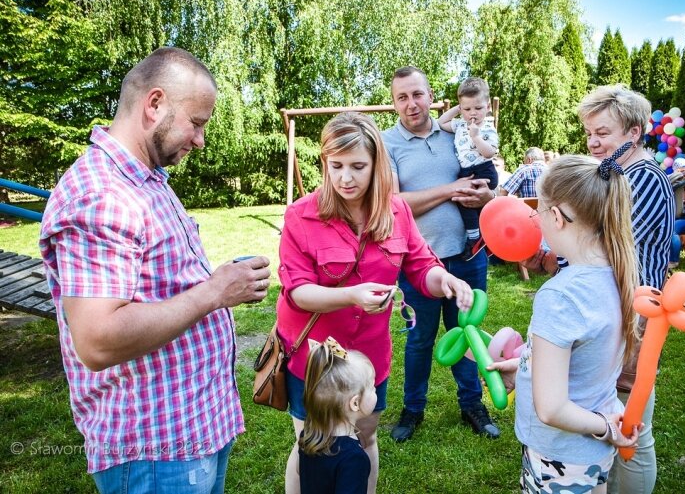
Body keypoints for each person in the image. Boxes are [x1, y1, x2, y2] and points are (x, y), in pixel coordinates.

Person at [39, 47, 272, 493]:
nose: (200, 140)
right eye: (197, 123)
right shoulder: (102, 194)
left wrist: (218, 285)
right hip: (153, 449)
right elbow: (98, 339)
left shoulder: (144, 178)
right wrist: (215, 293)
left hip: (190, 428)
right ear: (155, 104)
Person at [277, 111, 474, 494]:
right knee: (310, 446)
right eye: (335, 166)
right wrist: (350, 296)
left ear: (376, 164)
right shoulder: (301, 215)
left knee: (365, 438)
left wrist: (445, 279)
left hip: (368, 359)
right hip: (314, 360)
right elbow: (297, 292)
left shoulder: (396, 209)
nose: (345, 178)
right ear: (324, 163)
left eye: (357, 166)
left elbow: (421, 266)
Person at [521, 85, 674, 494]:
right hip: (614, 313)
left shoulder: (638, 179)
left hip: (626, 321)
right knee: (611, 417)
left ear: (635, 132)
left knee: (632, 434)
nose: (594, 142)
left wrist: (557, 255)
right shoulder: (618, 175)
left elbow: (605, 247)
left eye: (602, 132)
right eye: (589, 132)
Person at [490, 155, 642, 492]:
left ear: (556, 217)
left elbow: (551, 408)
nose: (537, 222)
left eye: (538, 213)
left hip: (559, 456)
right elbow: (585, 360)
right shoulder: (619, 276)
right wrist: (526, 364)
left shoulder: (559, 295)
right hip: (592, 455)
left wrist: (607, 429)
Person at [382, 66, 499, 444]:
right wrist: (451, 189)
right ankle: (413, 409)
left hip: (468, 255)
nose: (411, 104)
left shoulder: (458, 130)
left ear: (431, 96)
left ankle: (472, 404)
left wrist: (487, 196)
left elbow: (485, 177)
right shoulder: (387, 144)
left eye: (417, 94)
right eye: (402, 97)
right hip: (418, 266)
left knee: (467, 332)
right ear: (394, 102)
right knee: (419, 340)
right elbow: (393, 203)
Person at [298, 337, 377, 494]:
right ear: (355, 403)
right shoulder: (354, 459)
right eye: (372, 387)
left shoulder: (308, 437)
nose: (375, 390)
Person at [438, 77, 499, 258]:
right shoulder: (460, 125)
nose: (473, 113)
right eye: (467, 109)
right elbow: (441, 122)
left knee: (466, 203)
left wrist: (476, 137)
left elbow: (489, 153)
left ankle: (475, 238)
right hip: (468, 172)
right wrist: (458, 109)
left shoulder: (487, 127)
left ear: (487, 107)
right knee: (467, 204)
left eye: (478, 108)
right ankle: (482, 239)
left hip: (483, 169)